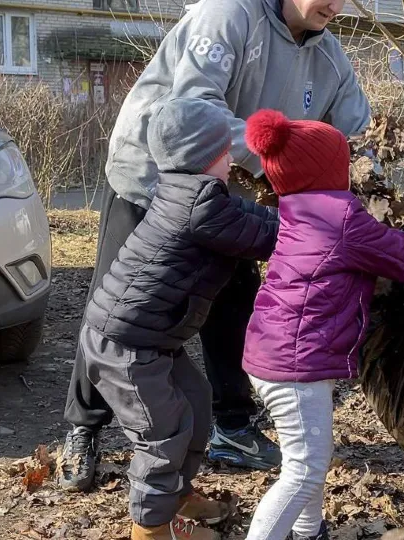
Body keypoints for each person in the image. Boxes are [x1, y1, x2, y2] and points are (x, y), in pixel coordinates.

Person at [57, 0, 373, 491]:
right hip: (153, 177)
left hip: (231, 192)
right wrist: (283, 155)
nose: (335, 4)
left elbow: (356, 134)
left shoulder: (329, 56)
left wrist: (366, 178)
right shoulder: (229, 15)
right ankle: (84, 428)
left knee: (235, 301)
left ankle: (233, 426)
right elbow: (195, 105)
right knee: (118, 308)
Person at [238, 110, 404, 540]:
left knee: (307, 458)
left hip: (278, 351)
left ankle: (308, 531)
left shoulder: (298, 210)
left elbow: (376, 245)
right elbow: (396, 254)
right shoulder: (340, 217)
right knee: (305, 467)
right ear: (328, 169)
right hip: (295, 362)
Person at [80, 98, 279, 540]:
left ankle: (175, 498)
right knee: (162, 432)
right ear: (203, 158)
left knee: (195, 402)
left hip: (149, 338)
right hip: (125, 344)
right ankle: (150, 531)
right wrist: (316, 223)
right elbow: (268, 235)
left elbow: (255, 216)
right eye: (225, 152)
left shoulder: (192, 192)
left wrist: (288, 214)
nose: (232, 161)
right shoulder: (201, 208)